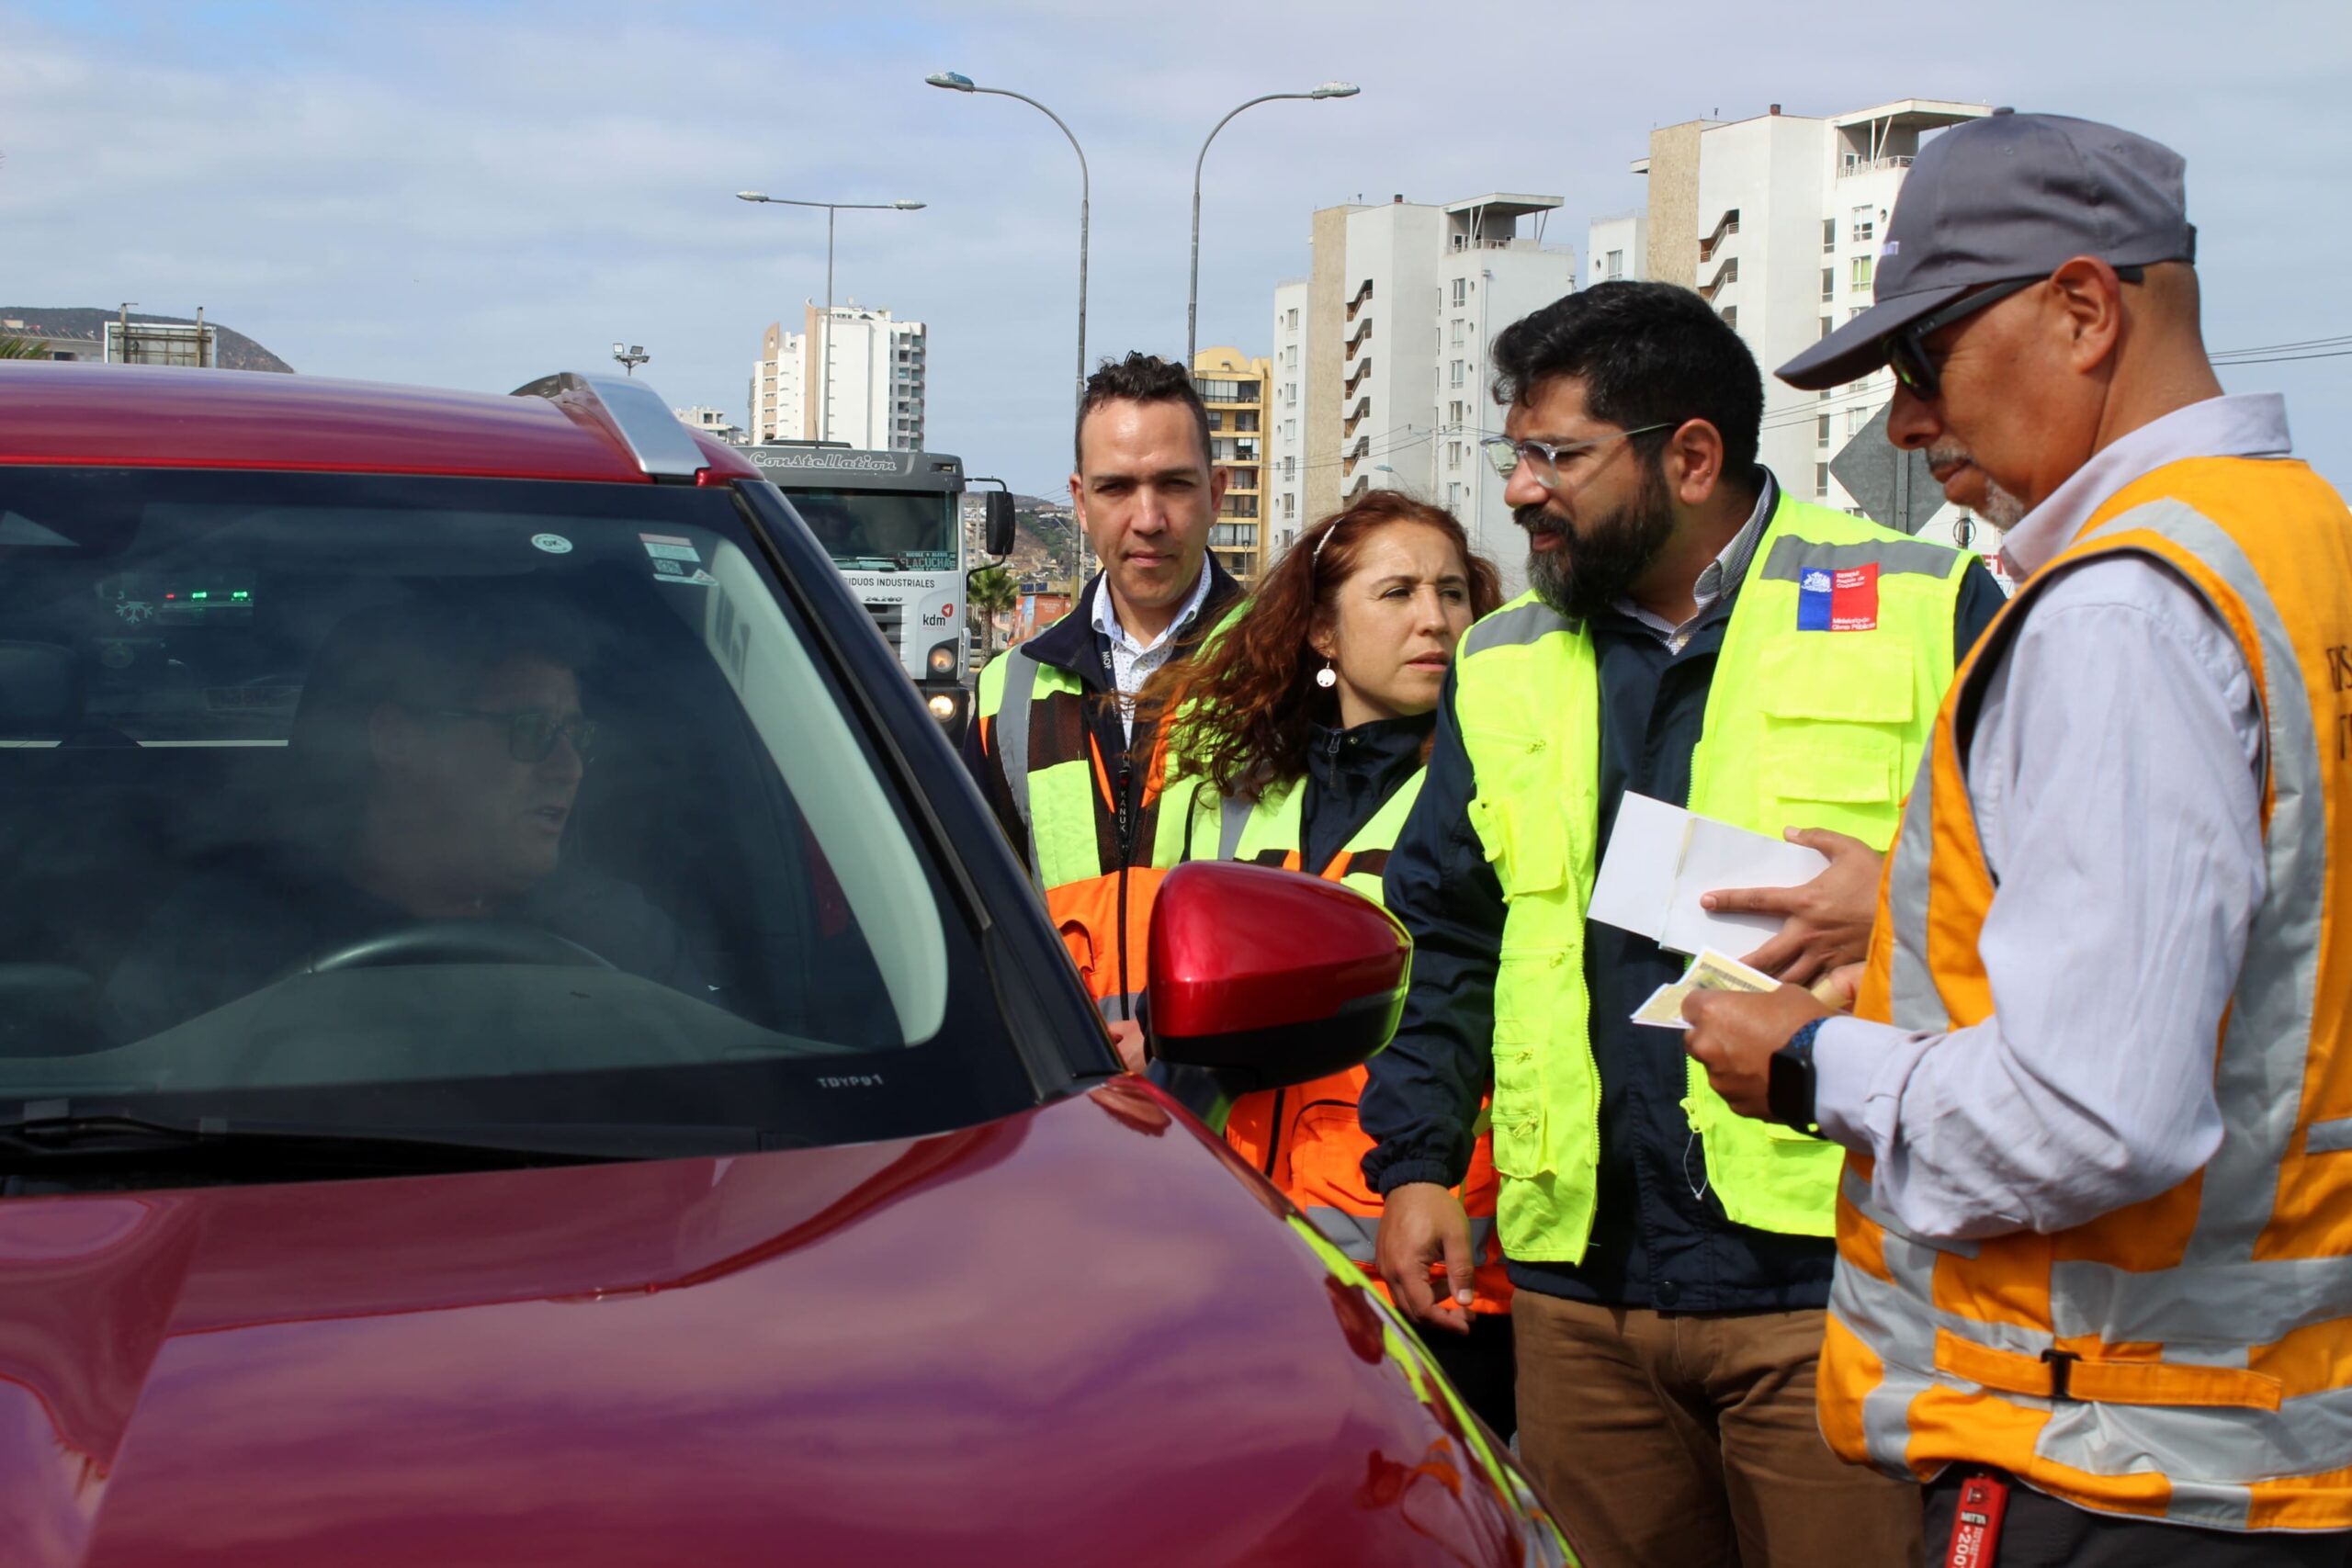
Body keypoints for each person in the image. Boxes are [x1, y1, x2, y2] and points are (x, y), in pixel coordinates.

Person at [1683, 111, 2352, 1565]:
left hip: (2119, 1451)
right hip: (2264, 1444)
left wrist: (1806, 1062)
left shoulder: (2122, 608)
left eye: (1922, 366)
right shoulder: (2302, 542)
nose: (1910, 424)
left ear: (2084, 308)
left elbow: (2097, 1113)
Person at [1361, 280, 2007, 1565]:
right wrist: (1419, 1159)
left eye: (1554, 455)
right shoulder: (1500, 662)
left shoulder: (1928, 606)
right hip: (1575, 1293)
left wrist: (1898, 893)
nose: (1522, 490)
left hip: (1833, 1286)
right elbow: (1451, 935)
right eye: (1515, 454)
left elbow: (2065, 899)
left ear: (1692, 455)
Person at [1145, 489, 1514, 1433]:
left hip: (1433, 1258)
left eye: (1453, 593)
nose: (1433, 618)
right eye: (1396, 593)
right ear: (1321, 633)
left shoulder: (1504, 788)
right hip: (1251, 1249)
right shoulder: (1238, 796)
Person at [102, 594, 701, 1039]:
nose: (569, 766)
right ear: (396, 740)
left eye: (576, 734)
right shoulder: (223, 938)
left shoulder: (622, 938)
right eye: (533, 730)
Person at [963, 353, 1244, 1061]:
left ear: (1217, 490)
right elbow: (975, 914)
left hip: (1233, 1104)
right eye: (1117, 488)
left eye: (1174, 485)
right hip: (1065, 1092)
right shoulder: (1011, 688)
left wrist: (1173, 1040)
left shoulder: (1285, 669)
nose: (1147, 519)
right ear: (1080, 501)